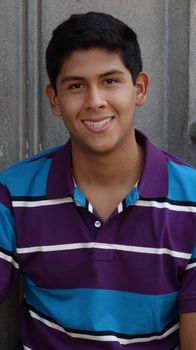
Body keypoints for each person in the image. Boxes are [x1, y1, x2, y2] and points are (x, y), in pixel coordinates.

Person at [0, 11, 196, 350]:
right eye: (76, 85)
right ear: (54, 99)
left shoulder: (191, 199)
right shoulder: (15, 194)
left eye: (110, 81)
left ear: (139, 89)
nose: (94, 101)